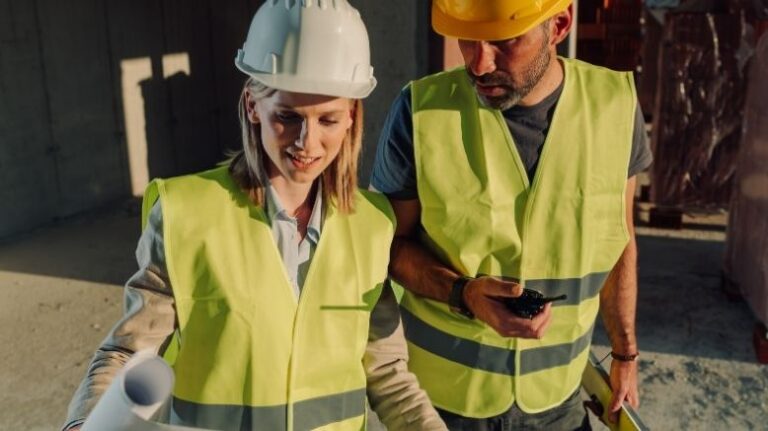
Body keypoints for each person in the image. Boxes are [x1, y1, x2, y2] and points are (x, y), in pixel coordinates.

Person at [62, 1, 446, 430]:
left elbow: (390, 378)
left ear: (352, 117)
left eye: (329, 119)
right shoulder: (187, 215)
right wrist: (87, 423)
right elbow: (128, 354)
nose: (308, 141)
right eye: (287, 117)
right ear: (252, 105)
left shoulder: (372, 227)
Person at [370, 0, 652, 429]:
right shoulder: (419, 112)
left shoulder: (614, 107)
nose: (479, 63)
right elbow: (385, 249)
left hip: (560, 400)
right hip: (445, 405)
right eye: (467, 39)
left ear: (558, 25)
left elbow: (620, 238)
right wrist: (463, 293)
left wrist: (625, 353)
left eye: (504, 41)